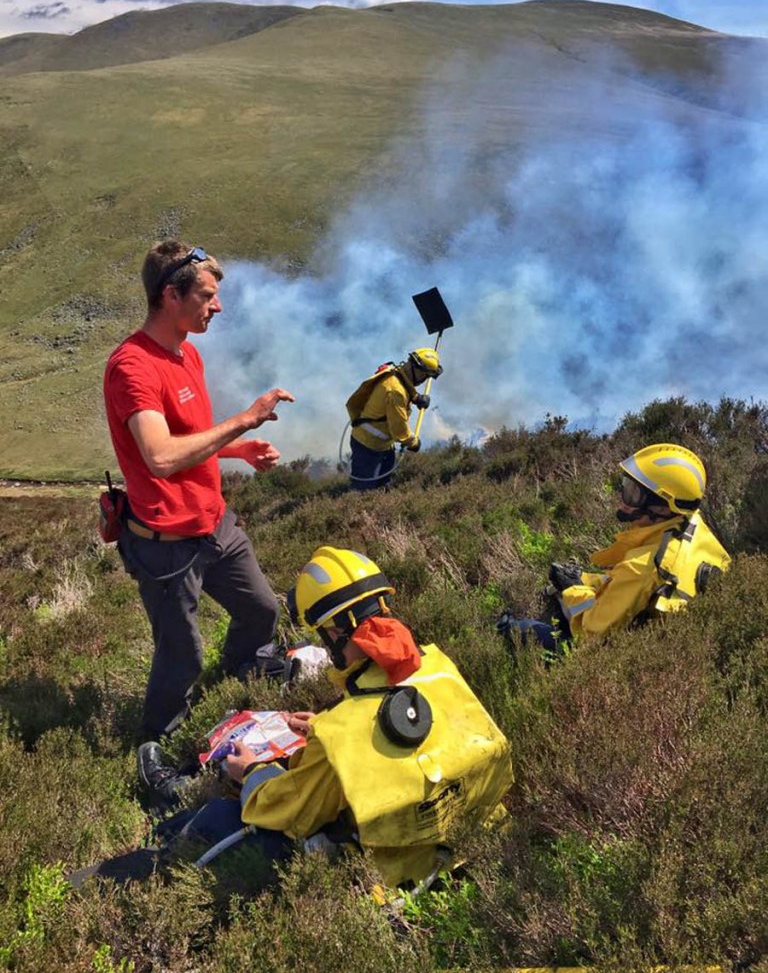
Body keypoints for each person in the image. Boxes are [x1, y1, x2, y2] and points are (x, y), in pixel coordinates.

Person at [97, 547, 513, 892]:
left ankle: (147, 843)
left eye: (322, 634)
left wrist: (251, 771)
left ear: (334, 632)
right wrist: (324, 728)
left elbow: (289, 812)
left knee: (222, 817)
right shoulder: (439, 668)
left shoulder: (342, 735)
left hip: (395, 873)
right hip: (474, 838)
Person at [103, 240, 295, 798]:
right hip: (166, 542)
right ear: (171, 294)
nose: (217, 307)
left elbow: (186, 439)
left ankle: (244, 667)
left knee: (261, 609)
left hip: (216, 524)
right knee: (180, 652)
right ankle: (155, 752)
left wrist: (237, 452)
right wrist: (243, 420)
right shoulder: (131, 366)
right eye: (207, 296)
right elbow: (160, 457)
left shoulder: (188, 351)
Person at [498, 443, 731, 653]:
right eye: (625, 485)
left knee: (519, 629)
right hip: (675, 639)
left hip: (632, 659)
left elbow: (590, 633)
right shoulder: (690, 524)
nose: (622, 498)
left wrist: (573, 589)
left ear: (662, 507)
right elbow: (627, 587)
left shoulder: (642, 567)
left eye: (633, 493)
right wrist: (586, 579)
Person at [345, 347, 442, 490]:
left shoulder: (395, 372)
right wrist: (413, 443)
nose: (424, 380)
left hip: (382, 444)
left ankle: (381, 507)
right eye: (425, 376)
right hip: (368, 444)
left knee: (383, 483)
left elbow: (404, 384)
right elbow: (399, 430)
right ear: (417, 370)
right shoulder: (396, 392)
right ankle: (358, 510)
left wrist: (416, 398)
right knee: (363, 488)